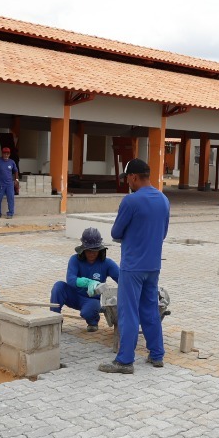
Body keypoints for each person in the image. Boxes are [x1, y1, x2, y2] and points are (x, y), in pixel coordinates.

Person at [100, 159, 169, 373]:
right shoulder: (164, 199)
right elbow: (163, 233)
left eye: (127, 178)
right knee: (149, 309)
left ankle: (125, 361)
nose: (127, 182)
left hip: (133, 266)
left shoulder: (131, 201)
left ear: (133, 177)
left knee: (128, 311)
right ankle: (156, 355)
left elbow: (115, 232)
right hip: (153, 265)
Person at [50, 227, 120, 332]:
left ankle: (93, 320)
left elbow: (122, 279)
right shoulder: (74, 260)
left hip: (91, 299)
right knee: (58, 286)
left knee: (88, 312)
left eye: (95, 250)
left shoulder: (107, 263)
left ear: (100, 249)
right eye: (89, 250)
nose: (92, 253)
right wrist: (88, 282)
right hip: (74, 295)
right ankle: (54, 322)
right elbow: (71, 279)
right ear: (83, 249)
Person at [0, 146, 20, 218]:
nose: (6, 155)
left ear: (9, 154)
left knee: (10, 199)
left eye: (7, 154)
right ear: (2, 154)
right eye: (4, 153)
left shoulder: (12, 162)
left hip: (9, 184)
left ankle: (10, 213)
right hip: (0, 183)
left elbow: (16, 171)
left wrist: (16, 180)